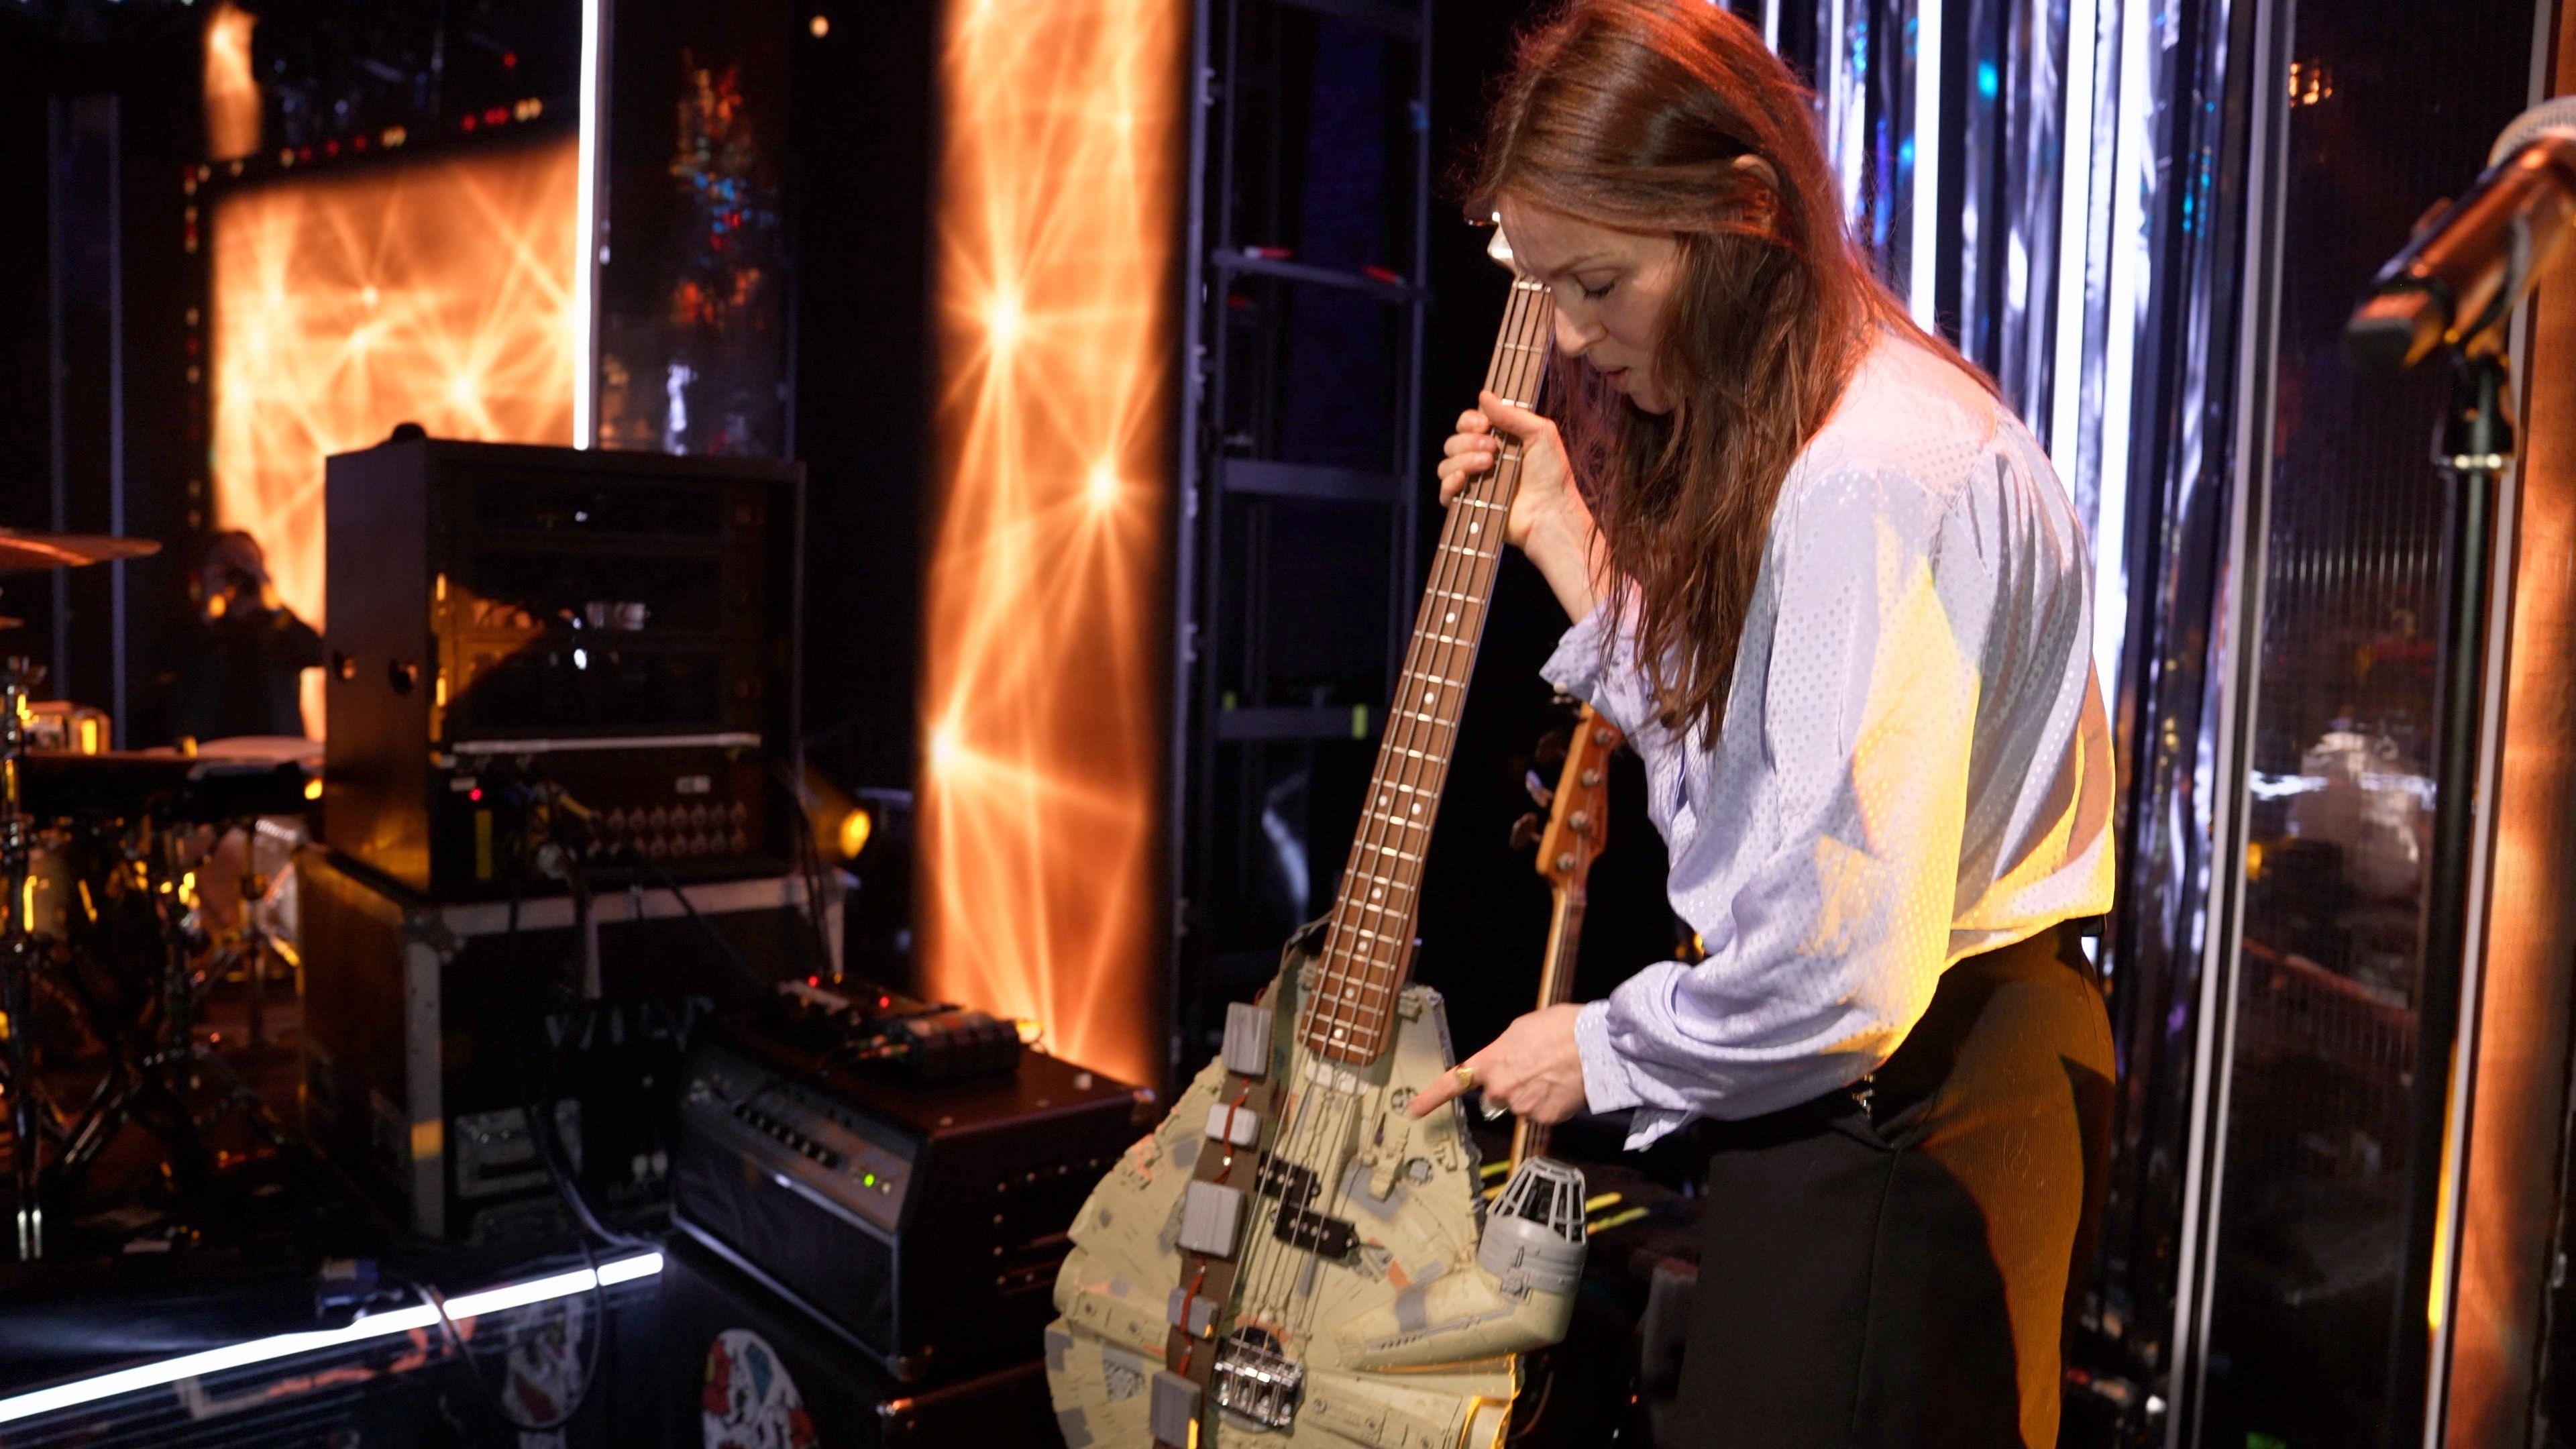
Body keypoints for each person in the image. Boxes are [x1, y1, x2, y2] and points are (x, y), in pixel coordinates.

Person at [1400, 4, 2117, 1445]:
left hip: (1908, 1106)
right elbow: (1750, 788)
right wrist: (1561, 532)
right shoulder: (1843, 431)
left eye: (1598, 284)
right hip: (1904, 1089)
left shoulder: (1869, 474)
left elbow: (1836, 967)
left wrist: (1600, 1050)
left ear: (1738, 213)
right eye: (1550, 292)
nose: (1581, 344)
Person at [164, 529, 325, 743]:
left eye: (246, 561)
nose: (237, 570)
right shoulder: (196, 627)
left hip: (277, 756)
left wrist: (274, 605)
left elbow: (318, 653)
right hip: (209, 757)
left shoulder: (279, 627)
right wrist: (210, 612)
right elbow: (168, 661)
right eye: (224, 562)